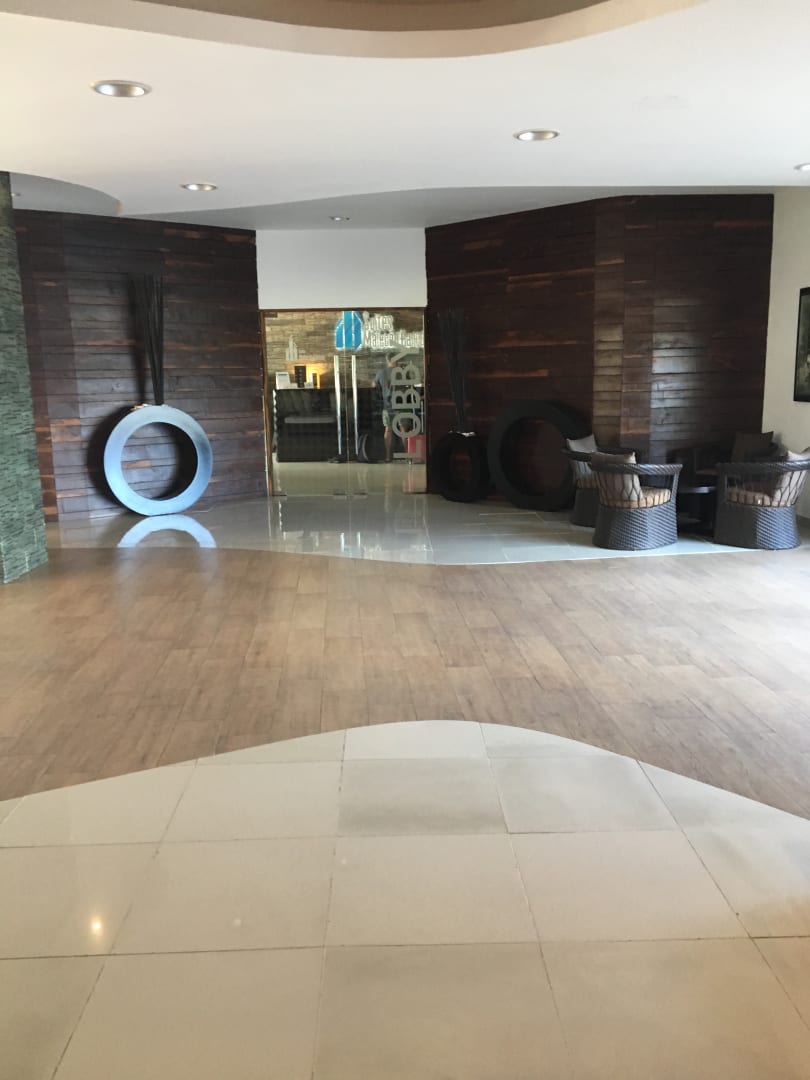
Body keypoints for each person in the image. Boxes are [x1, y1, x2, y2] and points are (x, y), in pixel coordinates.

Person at [373, 354, 401, 463]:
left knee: (388, 429)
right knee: (403, 429)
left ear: (387, 360)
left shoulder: (381, 372)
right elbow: (410, 385)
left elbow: (374, 385)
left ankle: (388, 456)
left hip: (387, 405)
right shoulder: (401, 371)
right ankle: (408, 456)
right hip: (401, 404)